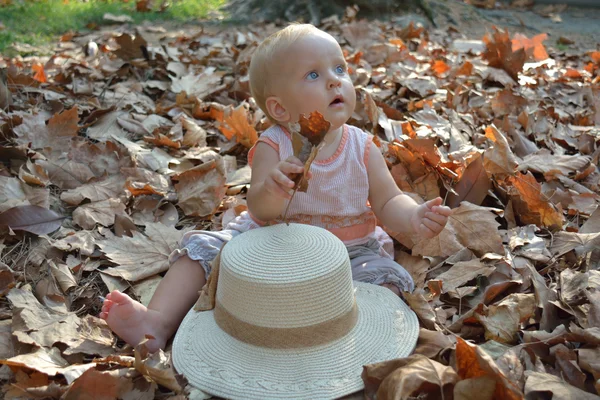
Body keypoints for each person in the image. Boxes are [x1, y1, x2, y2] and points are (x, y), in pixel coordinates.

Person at [99, 24, 452, 353]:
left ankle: (360, 341)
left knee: (383, 282)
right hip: (272, 247)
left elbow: (388, 200)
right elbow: (260, 209)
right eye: (314, 75)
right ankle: (157, 322)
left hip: (349, 253)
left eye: (339, 70)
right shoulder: (275, 145)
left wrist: (413, 215)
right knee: (200, 252)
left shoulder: (362, 147)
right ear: (279, 108)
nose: (334, 82)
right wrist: (274, 187)